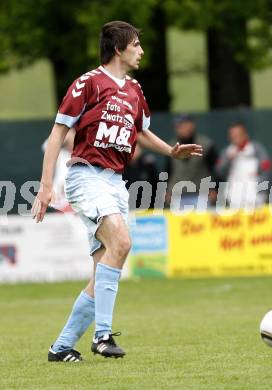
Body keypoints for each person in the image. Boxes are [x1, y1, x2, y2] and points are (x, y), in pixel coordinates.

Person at [31, 21, 203, 362]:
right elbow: (56, 134)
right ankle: (103, 335)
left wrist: (171, 151)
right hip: (85, 177)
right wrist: (46, 185)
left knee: (102, 273)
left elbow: (139, 132)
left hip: (114, 182)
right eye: (136, 44)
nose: (141, 50)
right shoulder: (88, 84)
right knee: (122, 243)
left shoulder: (135, 90)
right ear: (119, 49)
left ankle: (61, 347)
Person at [166, 114, 218, 210]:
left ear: (192, 125)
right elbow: (168, 170)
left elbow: (214, 169)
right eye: (178, 126)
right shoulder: (171, 146)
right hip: (177, 194)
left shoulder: (206, 144)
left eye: (183, 125)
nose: (180, 128)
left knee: (202, 223)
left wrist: (214, 189)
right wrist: (166, 191)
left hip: (202, 194)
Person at [216, 122, 272, 209]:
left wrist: (260, 188)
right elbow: (219, 171)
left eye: (238, 134)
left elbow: (267, 169)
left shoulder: (256, 149)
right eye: (233, 135)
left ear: (245, 134)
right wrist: (228, 160)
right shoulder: (227, 152)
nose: (235, 137)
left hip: (255, 197)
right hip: (234, 197)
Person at [123, 144, 158, 209]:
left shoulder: (148, 165)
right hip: (128, 207)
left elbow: (156, 184)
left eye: (136, 150)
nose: (133, 153)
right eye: (131, 150)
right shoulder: (121, 167)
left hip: (148, 206)